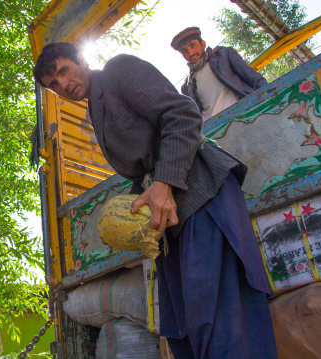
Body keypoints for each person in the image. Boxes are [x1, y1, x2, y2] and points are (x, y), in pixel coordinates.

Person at [33, 42, 277, 359]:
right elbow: (142, 169)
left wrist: (163, 183)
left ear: (82, 59)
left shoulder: (117, 69)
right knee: (181, 326)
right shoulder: (95, 107)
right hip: (170, 218)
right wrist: (131, 215)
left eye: (64, 71)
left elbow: (182, 114)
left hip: (200, 195)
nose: (62, 85)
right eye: (53, 85)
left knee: (219, 316)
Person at [171, 26, 268, 120]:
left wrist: (271, 96)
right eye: (185, 50)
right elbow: (193, 116)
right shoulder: (187, 85)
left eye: (192, 45)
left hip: (245, 114)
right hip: (215, 131)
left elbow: (253, 78)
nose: (190, 52)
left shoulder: (224, 55)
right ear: (182, 56)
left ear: (203, 44)